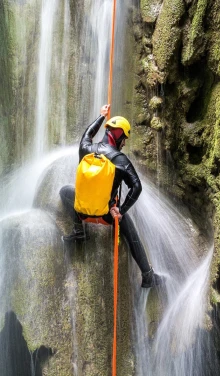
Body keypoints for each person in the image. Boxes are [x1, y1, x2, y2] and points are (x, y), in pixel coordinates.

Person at [60, 104, 163, 288]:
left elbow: (87, 134)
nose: (124, 143)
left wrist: (101, 116)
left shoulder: (85, 149)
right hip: (107, 216)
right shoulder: (120, 160)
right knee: (130, 231)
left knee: (64, 191)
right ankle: (147, 275)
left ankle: (78, 230)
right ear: (118, 135)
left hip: (82, 212)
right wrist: (121, 210)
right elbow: (137, 187)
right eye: (124, 138)